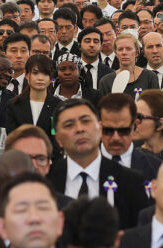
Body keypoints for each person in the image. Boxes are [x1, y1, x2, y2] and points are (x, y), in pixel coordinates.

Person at [47, 98, 149, 229]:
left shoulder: (130, 181)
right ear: (58, 139)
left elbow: (140, 237)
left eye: (85, 121)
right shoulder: (47, 181)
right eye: (69, 125)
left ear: (100, 128)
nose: (79, 129)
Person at [6, 53, 61, 133]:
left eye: (45, 74)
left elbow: (57, 136)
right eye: (35, 73)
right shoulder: (14, 104)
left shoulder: (58, 106)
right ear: (27, 75)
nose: (40, 78)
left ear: (50, 77)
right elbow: (12, 136)